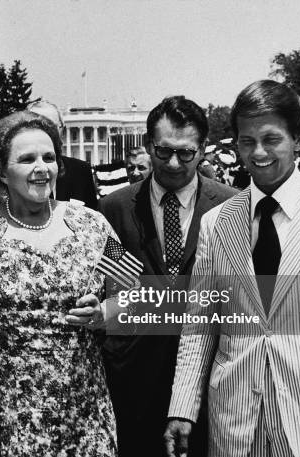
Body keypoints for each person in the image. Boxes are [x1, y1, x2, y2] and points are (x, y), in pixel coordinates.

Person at [165, 80, 300, 457]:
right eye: (247, 141)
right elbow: (200, 325)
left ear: (298, 139)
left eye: (271, 139)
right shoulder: (217, 223)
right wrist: (182, 408)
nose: (258, 152)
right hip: (235, 420)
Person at [0, 111, 117, 456]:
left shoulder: (94, 225)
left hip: (86, 422)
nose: (41, 167)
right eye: (27, 159)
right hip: (5, 423)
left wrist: (105, 312)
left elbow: (135, 294)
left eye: (49, 157)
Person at [99, 95, 237, 456]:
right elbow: (104, 294)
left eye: (186, 153)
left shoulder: (233, 207)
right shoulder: (113, 209)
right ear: (147, 146)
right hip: (133, 381)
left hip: (210, 383)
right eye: (163, 152)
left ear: (203, 149)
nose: (174, 163)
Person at [27, 100, 98, 209]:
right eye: (36, 127)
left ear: (62, 130)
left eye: (51, 127)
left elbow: (93, 217)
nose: (45, 134)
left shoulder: (81, 171)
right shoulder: (16, 173)